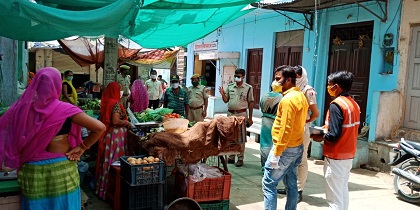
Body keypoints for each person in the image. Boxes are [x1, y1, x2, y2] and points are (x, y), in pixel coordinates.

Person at [0, 67, 105, 210]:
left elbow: (5, 132)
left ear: (36, 85)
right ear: (57, 86)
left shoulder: (21, 110)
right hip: (61, 172)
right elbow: (100, 128)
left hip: (32, 172)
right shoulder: (66, 110)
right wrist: (82, 147)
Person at [311, 71, 360, 210]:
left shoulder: (336, 104)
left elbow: (334, 134)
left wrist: (319, 136)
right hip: (348, 154)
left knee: (334, 198)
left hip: (336, 155)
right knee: (342, 192)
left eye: (330, 85)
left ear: (336, 86)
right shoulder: (353, 104)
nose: (328, 87)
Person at [262, 65, 308, 210]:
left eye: (278, 79)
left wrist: (277, 153)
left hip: (285, 148)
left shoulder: (288, 100)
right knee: (291, 183)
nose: (274, 83)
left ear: (288, 80)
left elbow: (285, 129)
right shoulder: (300, 95)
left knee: (269, 183)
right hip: (296, 146)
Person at [277, 66, 319, 202]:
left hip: (301, 130)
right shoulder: (290, 90)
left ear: (301, 76)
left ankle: (299, 189)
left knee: (301, 160)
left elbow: (315, 113)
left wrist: (306, 121)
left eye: (297, 76)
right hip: (290, 129)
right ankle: (289, 186)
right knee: (288, 159)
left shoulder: (308, 90)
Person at [96, 82, 130, 200]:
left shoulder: (107, 101)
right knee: (115, 161)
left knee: (107, 160)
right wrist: (126, 122)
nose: (121, 92)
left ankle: (103, 189)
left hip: (109, 134)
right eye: (119, 89)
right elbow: (115, 121)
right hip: (116, 136)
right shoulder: (115, 103)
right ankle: (114, 190)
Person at [218, 68, 254, 167]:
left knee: (241, 137)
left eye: (238, 76)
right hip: (230, 114)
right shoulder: (230, 87)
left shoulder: (248, 88)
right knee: (230, 136)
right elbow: (226, 100)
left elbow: (251, 103)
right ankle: (231, 156)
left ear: (243, 77)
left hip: (241, 115)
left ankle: (240, 158)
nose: (236, 78)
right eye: (235, 76)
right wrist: (222, 94)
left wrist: (250, 118)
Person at [259, 80, 282, 172]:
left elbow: (261, 105)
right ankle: (273, 166)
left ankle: (264, 167)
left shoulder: (265, 95)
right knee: (275, 144)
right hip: (277, 121)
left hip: (265, 120)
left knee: (264, 145)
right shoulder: (282, 97)